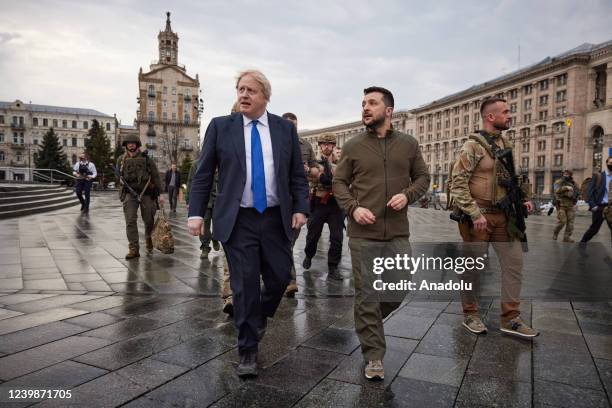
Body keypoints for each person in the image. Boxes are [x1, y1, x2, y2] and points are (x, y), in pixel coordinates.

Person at [187, 70, 309, 377]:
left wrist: (301, 208)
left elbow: (297, 174)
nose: (243, 94)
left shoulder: (283, 129)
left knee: (281, 278)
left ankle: (257, 318)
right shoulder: (220, 127)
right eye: (240, 89)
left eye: (251, 90)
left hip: (274, 217)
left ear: (265, 96)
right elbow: (203, 173)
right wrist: (196, 212)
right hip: (238, 219)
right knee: (244, 287)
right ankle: (247, 351)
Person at [333, 86, 430, 381]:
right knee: (367, 294)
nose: (365, 107)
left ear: (388, 111)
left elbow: (423, 177)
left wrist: (408, 195)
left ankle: (369, 321)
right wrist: (353, 208)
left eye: (372, 103)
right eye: (363, 103)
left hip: (398, 231)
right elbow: (339, 183)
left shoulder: (409, 144)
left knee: (399, 287)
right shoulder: (352, 146)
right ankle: (373, 355)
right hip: (363, 233)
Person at [450, 97, 538, 338]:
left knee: (514, 265)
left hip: (504, 217)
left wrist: (522, 199)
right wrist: (474, 213)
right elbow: (457, 183)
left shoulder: (504, 143)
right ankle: (470, 313)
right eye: (506, 112)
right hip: (478, 219)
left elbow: (509, 178)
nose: (510, 115)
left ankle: (510, 318)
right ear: (491, 117)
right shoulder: (473, 146)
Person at [281, 112, 318, 297]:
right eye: (287, 124)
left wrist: (309, 169)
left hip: (298, 199)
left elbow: (315, 170)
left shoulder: (305, 145)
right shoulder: (273, 142)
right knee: (280, 242)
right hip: (277, 200)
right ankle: (285, 279)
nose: (291, 128)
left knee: (289, 241)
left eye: (294, 125)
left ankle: (289, 280)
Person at [303, 133, 344, 280]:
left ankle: (333, 267)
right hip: (319, 203)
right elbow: (311, 176)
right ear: (320, 146)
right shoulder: (314, 162)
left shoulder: (341, 162)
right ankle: (309, 255)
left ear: (333, 146)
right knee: (313, 235)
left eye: (330, 144)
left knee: (337, 238)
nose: (327, 147)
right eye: (324, 144)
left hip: (336, 205)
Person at [117, 134, 163, 259]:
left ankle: (148, 237)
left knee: (148, 220)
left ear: (137, 145)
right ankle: (133, 248)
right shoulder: (121, 159)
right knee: (130, 221)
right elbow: (118, 175)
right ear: (126, 145)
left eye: (133, 143)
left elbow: (156, 176)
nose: (131, 145)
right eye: (129, 143)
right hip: (129, 194)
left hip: (146, 193)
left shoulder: (147, 159)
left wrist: (160, 194)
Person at [580, 156, 612, 246]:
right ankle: (583, 242)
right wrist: (593, 205)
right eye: (610, 163)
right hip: (600, 207)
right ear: (607, 163)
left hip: (610, 207)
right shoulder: (598, 176)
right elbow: (590, 192)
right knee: (594, 229)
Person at [552, 169, 580, 242]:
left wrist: (575, 198)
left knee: (570, 223)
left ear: (571, 175)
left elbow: (578, 193)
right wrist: (566, 188)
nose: (566, 175)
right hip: (561, 205)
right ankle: (555, 232)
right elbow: (556, 190)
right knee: (562, 221)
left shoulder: (574, 184)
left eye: (567, 174)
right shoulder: (558, 182)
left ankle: (566, 237)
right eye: (565, 173)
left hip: (571, 205)